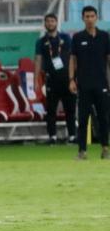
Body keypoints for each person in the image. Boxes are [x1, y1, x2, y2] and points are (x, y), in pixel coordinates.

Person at [68, 6, 110, 160]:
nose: (90, 19)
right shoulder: (77, 37)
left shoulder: (105, 36)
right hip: (84, 85)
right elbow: (73, 60)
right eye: (87, 16)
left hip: (101, 84)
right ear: (83, 18)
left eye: (92, 16)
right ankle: (82, 151)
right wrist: (71, 79)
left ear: (97, 17)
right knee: (83, 118)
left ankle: (105, 149)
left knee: (104, 118)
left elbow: (108, 60)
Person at [34, 13, 76, 144]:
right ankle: (52, 136)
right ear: (45, 24)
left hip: (66, 78)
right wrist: (36, 79)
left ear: (56, 23)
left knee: (70, 108)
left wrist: (73, 78)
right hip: (51, 78)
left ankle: (72, 136)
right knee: (51, 109)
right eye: (48, 21)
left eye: (52, 21)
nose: (50, 23)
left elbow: (72, 57)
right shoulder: (41, 41)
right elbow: (38, 60)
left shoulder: (66, 38)